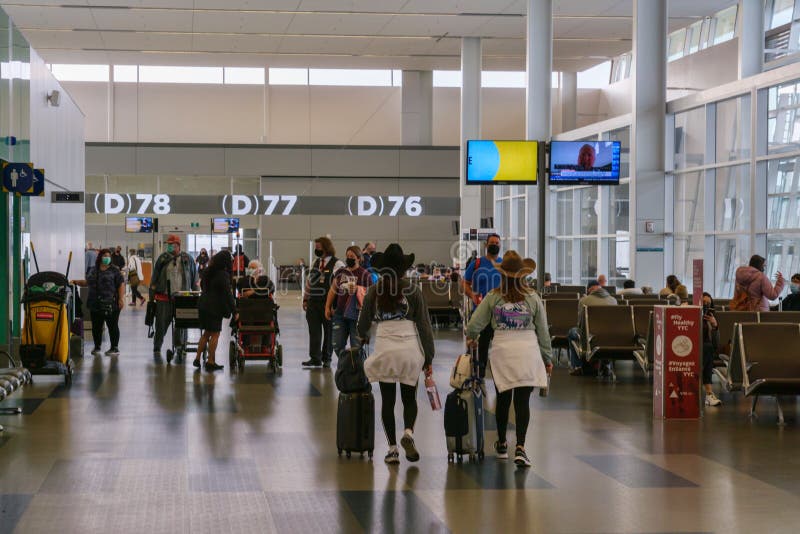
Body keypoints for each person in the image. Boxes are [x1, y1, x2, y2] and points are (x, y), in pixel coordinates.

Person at [465, 251, 552, 467]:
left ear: (502, 275)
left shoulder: (494, 296)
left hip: (502, 350)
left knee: (503, 398)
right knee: (522, 401)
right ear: (522, 275)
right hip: (527, 350)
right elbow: (542, 331)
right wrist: (547, 358)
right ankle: (520, 447)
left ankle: (502, 443)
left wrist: (472, 337)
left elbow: (475, 323)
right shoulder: (532, 297)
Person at [357, 244, 435, 464]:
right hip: (409, 348)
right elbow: (424, 326)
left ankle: (392, 450)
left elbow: (363, 323)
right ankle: (408, 433)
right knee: (409, 398)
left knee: (388, 401)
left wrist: (362, 335)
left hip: (385, 348)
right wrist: (428, 357)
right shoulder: (412, 290)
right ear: (403, 269)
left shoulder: (375, 290)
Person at [150, 234, 198, 359]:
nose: (170, 247)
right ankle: (157, 347)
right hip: (164, 298)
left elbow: (194, 278)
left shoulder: (187, 259)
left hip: (183, 298)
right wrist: (151, 297)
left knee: (181, 325)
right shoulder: (162, 259)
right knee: (161, 324)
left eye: (172, 245)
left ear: (178, 245)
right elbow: (154, 279)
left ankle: (180, 347)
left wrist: (196, 294)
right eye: (169, 244)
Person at [461, 233, 502, 377]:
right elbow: (465, 283)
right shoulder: (476, 264)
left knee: (500, 347)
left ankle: (500, 376)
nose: (495, 245)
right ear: (486, 245)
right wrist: (472, 295)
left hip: (500, 314)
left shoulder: (504, 265)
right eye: (492, 242)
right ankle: (480, 376)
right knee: (481, 347)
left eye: (497, 243)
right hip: (481, 313)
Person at [71, 249, 125, 357]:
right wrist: (76, 282)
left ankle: (114, 347)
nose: (107, 258)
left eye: (108, 256)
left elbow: (121, 284)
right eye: (105, 256)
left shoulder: (114, 270)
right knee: (96, 326)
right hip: (95, 303)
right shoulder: (93, 270)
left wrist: (121, 299)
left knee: (112, 326)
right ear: (100, 257)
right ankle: (97, 346)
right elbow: (87, 282)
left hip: (111, 303)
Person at [303, 236, 345, 368]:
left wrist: (336, 305)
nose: (317, 250)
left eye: (319, 248)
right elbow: (309, 282)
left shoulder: (338, 264)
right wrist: (305, 298)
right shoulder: (315, 262)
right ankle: (315, 358)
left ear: (326, 248)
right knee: (314, 331)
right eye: (316, 248)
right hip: (313, 302)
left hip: (328, 303)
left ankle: (327, 358)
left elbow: (340, 285)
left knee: (329, 332)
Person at [325, 246, 372, 358]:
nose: (349, 258)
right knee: (337, 344)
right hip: (340, 314)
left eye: (352, 257)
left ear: (359, 258)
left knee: (356, 346)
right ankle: (345, 365)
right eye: (347, 256)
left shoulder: (364, 274)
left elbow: (371, 293)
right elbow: (333, 290)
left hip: (357, 315)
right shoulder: (341, 272)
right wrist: (327, 307)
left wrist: (358, 289)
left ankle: (357, 369)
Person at [196, 251, 236, 372]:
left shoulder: (208, 271)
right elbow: (228, 294)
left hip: (203, 305)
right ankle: (210, 361)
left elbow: (202, 285)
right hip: (214, 308)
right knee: (215, 334)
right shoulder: (223, 275)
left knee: (206, 334)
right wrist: (235, 310)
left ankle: (197, 358)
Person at [568, 280, 617, 375]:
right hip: (610, 337)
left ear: (589, 290)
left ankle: (577, 366)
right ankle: (606, 365)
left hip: (590, 336)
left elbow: (580, 324)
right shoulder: (613, 300)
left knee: (571, 332)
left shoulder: (584, 300)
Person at [700, 292, 722, 407]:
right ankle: (708, 394)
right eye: (703, 303)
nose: (705, 306)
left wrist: (714, 326)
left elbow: (716, 344)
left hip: (706, 351)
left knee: (708, 348)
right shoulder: (689, 316)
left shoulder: (712, 319)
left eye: (708, 304)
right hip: (691, 348)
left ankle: (708, 394)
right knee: (707, 349)